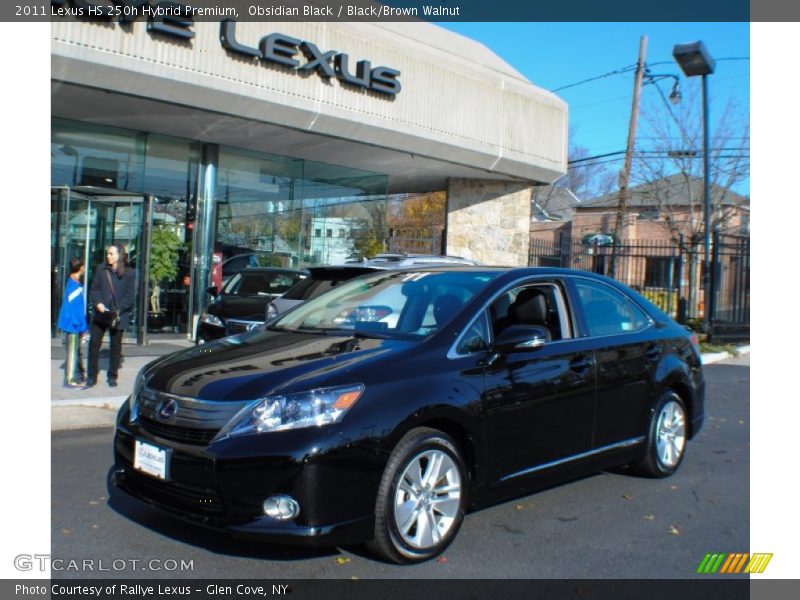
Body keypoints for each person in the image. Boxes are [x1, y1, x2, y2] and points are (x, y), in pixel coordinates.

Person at [87, 244, 136, 388]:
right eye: (107, 253)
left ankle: (112, 376)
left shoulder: (129, 273)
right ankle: (92, 376)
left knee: (116, 347)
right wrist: (98, 303)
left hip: (117, 315)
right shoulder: (101, 269)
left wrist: (118, 310)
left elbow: (130, 296)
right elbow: (94, 289)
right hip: (101, 313)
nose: (108, 256)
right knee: (94, 345)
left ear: (119, 255)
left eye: (111, 253)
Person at [57, 257, 88, 388]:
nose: (85, 268)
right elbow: (77, 311)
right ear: (80, 268)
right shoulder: (75, 287)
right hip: (73, 326)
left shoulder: (72, 283)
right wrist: (83, 327)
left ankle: (77, 375)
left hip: (71, 325)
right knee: (72, 352)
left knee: (75, 351)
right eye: (84, 266)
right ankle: (70, 379)